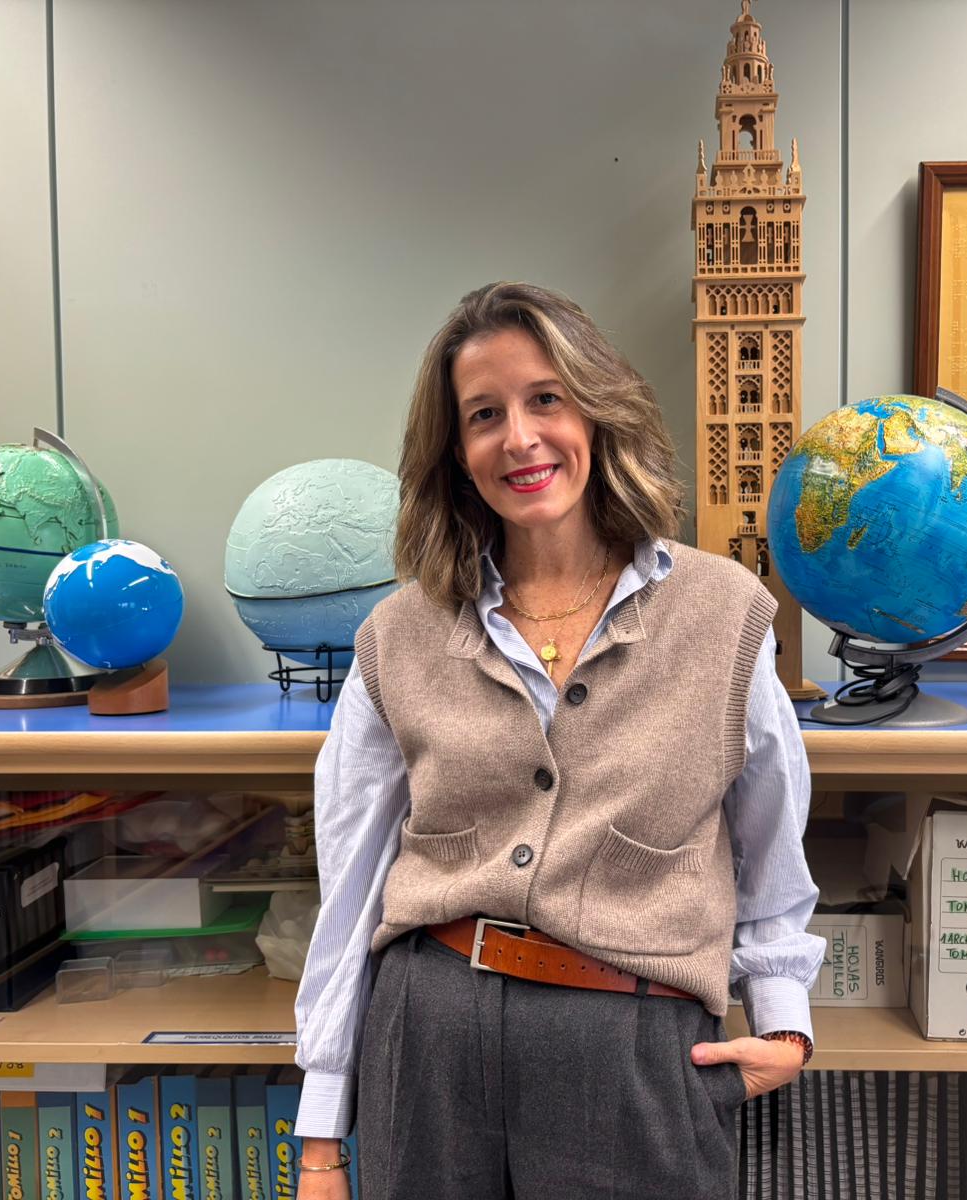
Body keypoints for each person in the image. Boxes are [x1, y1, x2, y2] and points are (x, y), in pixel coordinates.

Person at [292, 281, 824, 1199]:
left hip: (632, 1053)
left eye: (547, 399)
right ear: (457, 454)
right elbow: (352, 885)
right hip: (429, 1042)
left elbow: (770, 843)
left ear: (598, 413)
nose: (520, 437)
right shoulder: (396, 637)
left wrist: (783, 1019)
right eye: (484, 415)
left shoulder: (726, 614)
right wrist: (320, 1142)